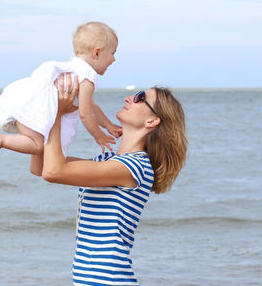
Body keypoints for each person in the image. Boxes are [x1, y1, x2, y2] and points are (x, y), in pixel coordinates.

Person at [38, 73, 187, 285]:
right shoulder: (106, 160)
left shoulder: (136, 167)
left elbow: (53, 172)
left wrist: (56, 114)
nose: (129, 98)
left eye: (140, 97)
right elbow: (40, 167)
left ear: (152, 120)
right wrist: (51, 111)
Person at [0, 22, 122, 166]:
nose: (113, 59)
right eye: (112, 53)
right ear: (96, 53)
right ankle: (2, 141)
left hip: (17, 97)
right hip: (31, 110)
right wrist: (99, 136)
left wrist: (108, 124)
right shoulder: (87, 77)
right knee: (37, 146)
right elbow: (86, 113)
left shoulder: (70, 67)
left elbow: (93, 107)